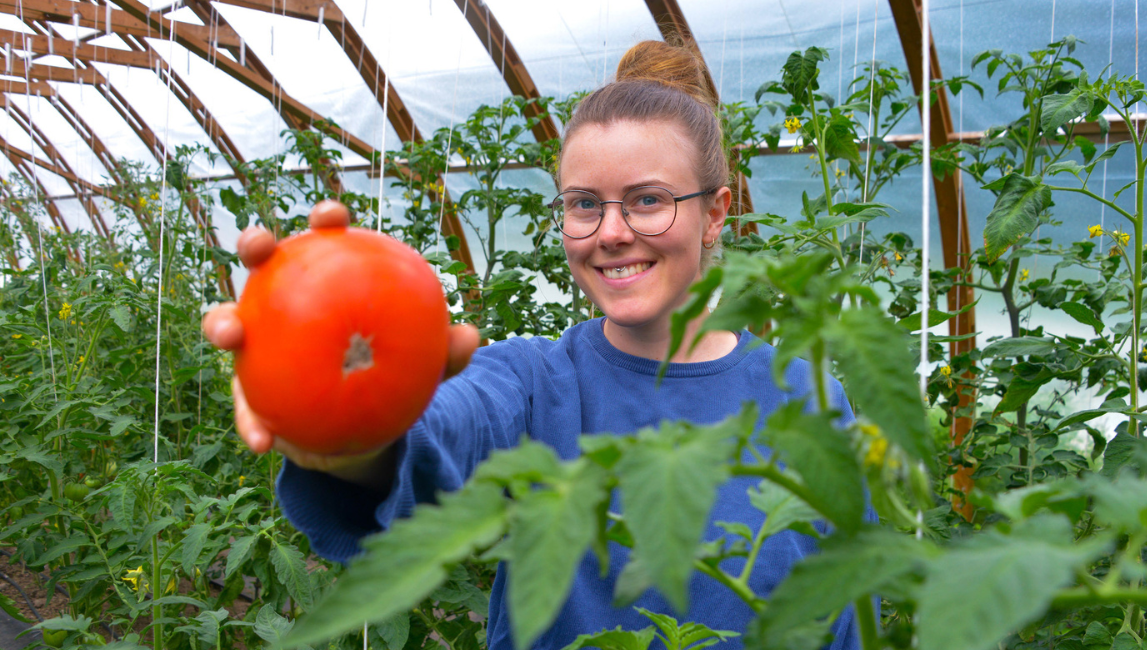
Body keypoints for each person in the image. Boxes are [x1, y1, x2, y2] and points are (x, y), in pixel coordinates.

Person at [203, 40, 870, 650]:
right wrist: (342, 431)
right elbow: (430, 444)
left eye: (646, 200)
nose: (611, 232)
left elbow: (842, 614)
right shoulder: (531, 385)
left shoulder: (807, 400)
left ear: (715, 214)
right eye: (584, 204)